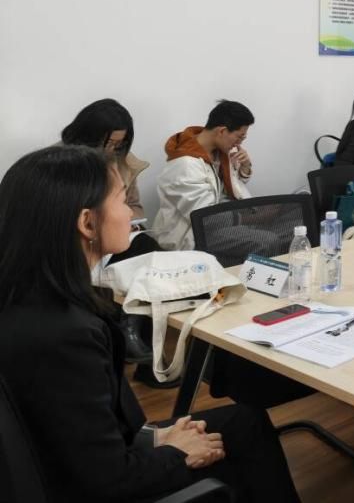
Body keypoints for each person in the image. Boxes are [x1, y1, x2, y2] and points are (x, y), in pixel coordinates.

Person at [0, 145, 300, 502]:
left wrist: (154, 437)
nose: (131, 213)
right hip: (96, 483)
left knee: (245, 422)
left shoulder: (29, 296)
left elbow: (74, 430)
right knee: (241, 442)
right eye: (122, 199)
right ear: (87, 223)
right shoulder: (63, 335)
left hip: (80, 457)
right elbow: (106, 482)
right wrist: (177, 453)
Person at [60, 98, 165, 379]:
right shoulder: (62, 165)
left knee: (150, 253)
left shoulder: (122, 163)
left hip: (116, 238)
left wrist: (129, 223)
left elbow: (135, 207)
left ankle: (136, 336)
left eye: (118, 145)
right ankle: (127, 334)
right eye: (106, 143)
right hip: (78, 242)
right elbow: (61, 215)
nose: (111, 150)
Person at [150, 100, 254, 251]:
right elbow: (204, 217)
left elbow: (234, 186)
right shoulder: (185, 165)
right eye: (239, 137)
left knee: (277, 229)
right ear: (222, 131)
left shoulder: (221, 153)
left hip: (216, 225)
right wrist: (248, 217)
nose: (239, 144)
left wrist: (246, 166)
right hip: (190, 238)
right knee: (266, 240)